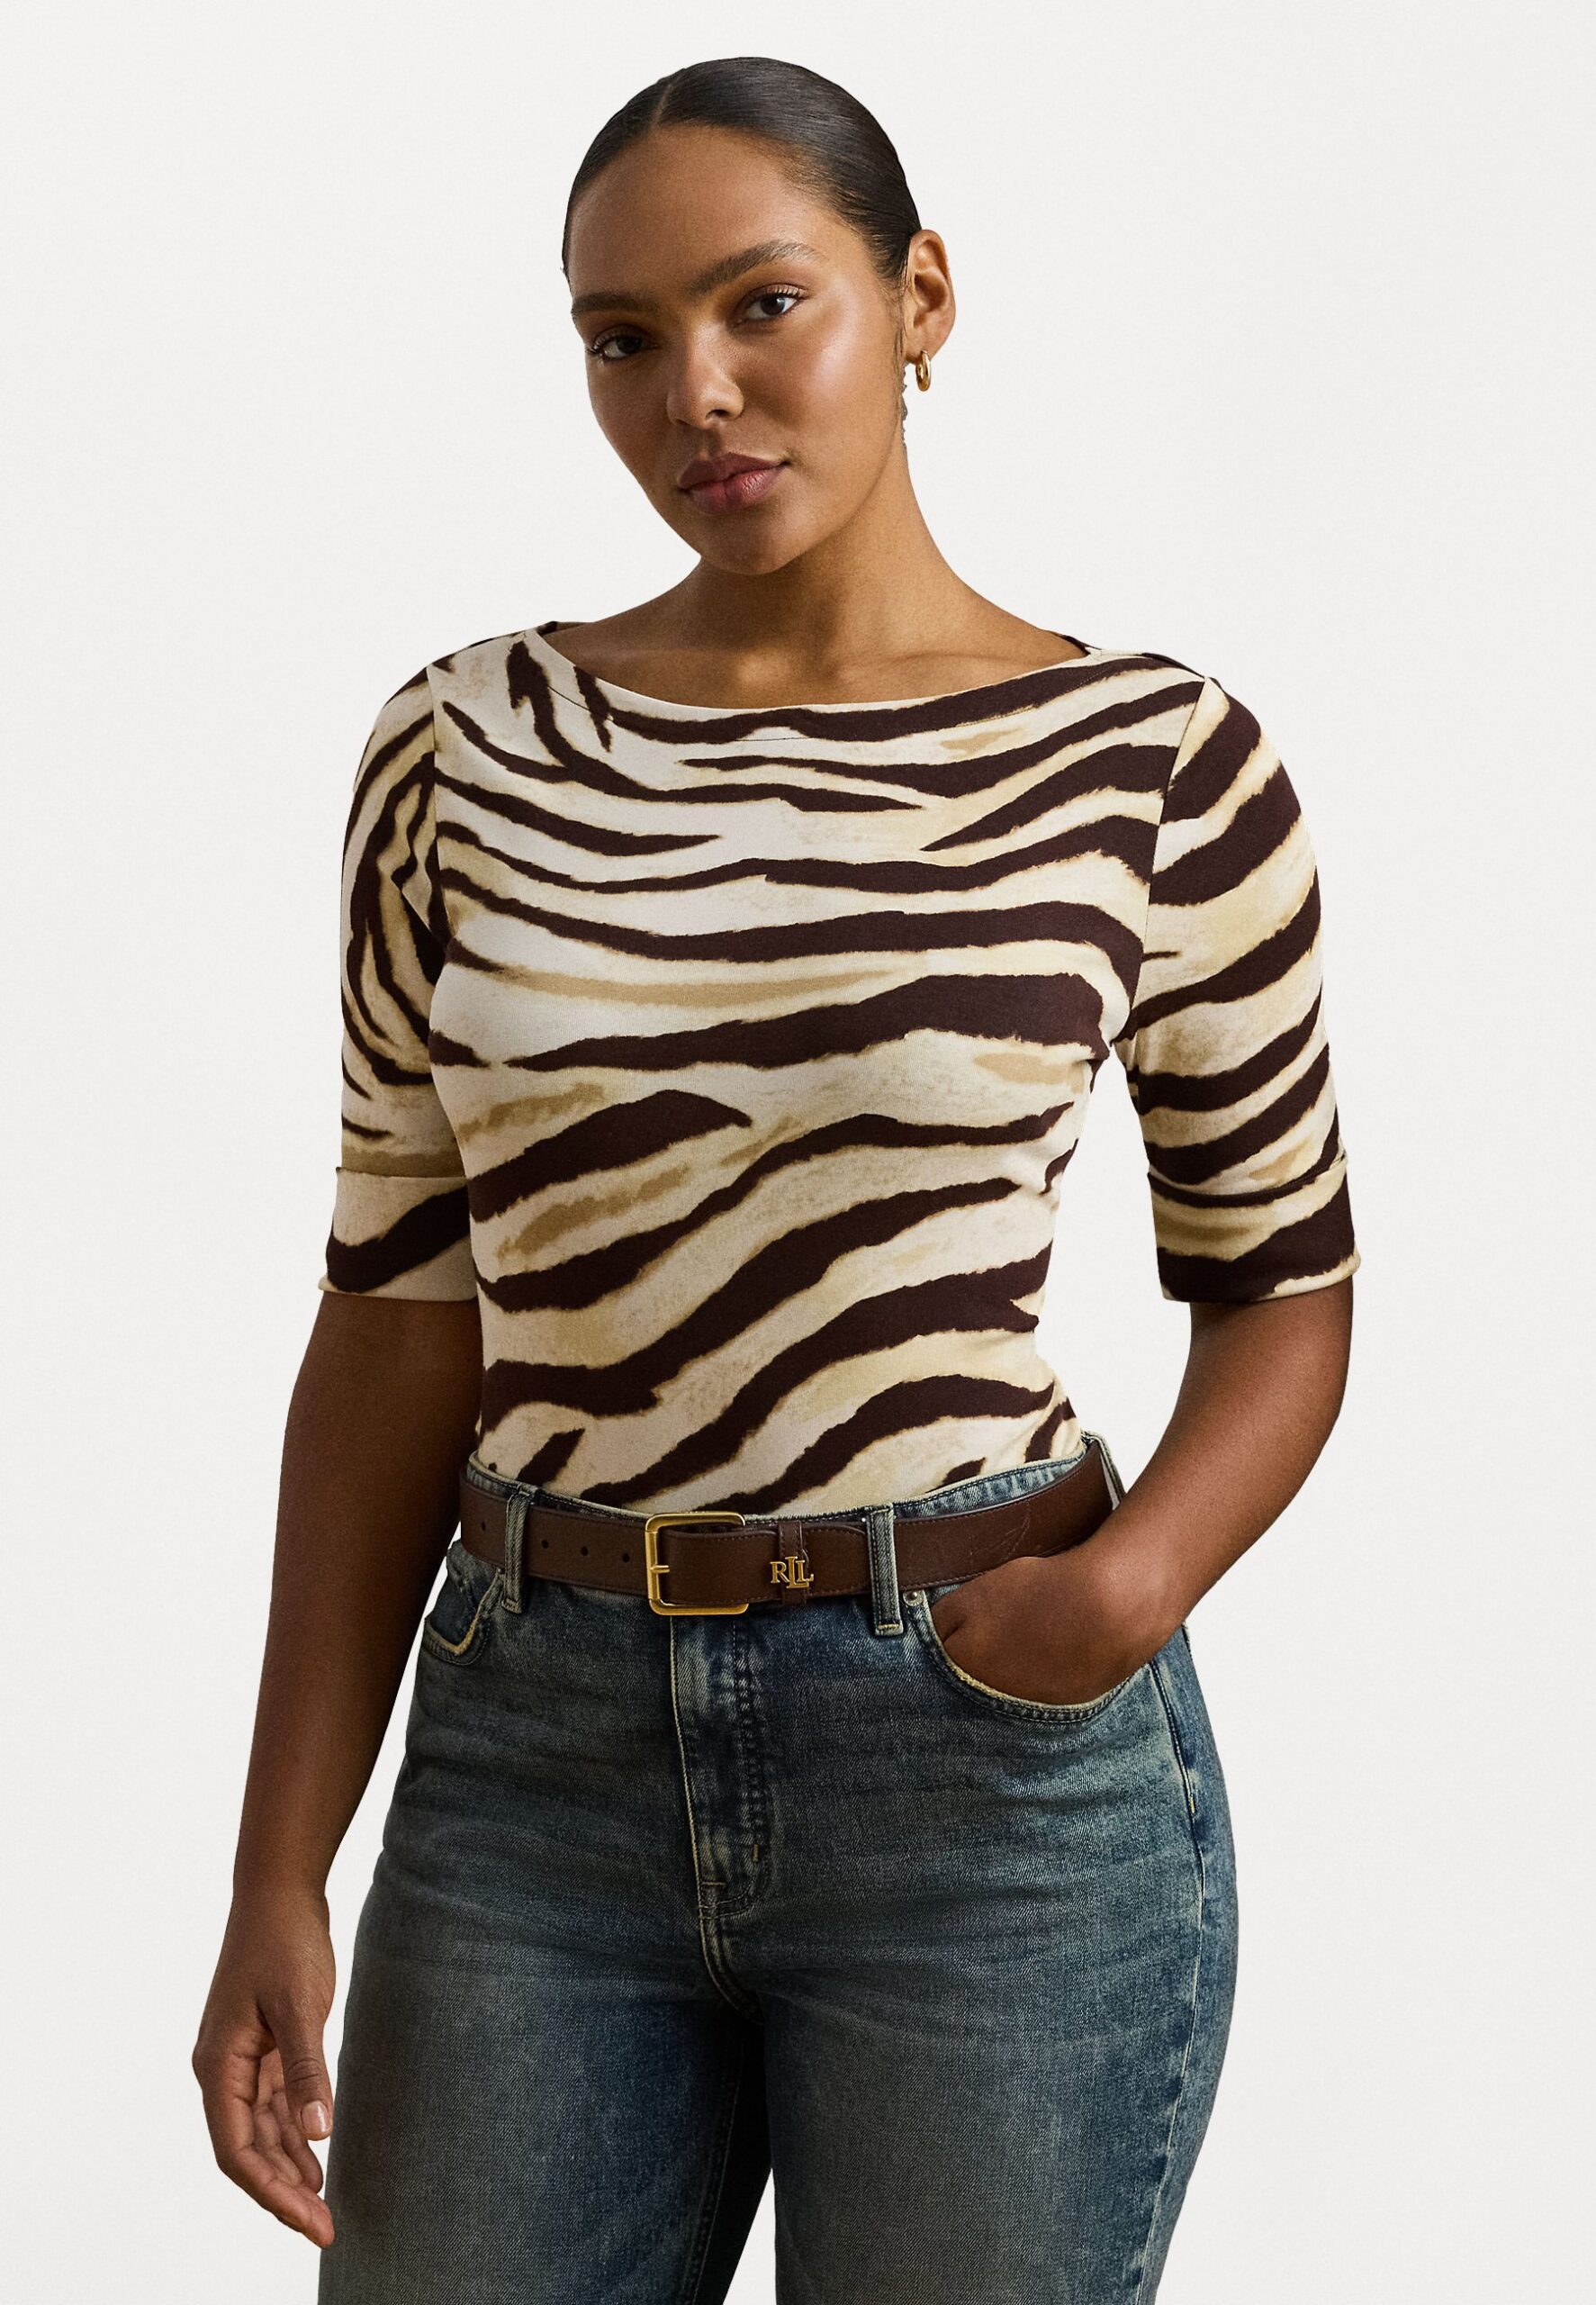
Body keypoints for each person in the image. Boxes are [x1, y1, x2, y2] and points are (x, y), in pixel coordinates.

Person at [193, 54, 1357, 2304]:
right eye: (621, 338)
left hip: (984, 1774)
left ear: (918, 298)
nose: (695, 394)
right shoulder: (466, 751)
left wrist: (1125, 1591)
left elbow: (1280, 1288)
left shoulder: (1149, 763)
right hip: (530, 1758)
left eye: (762, 305)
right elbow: (394, 1319)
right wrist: (276, 1862)